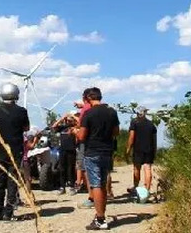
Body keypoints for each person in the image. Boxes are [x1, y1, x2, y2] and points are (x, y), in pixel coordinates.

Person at [78, 87, 120, 230]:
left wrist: (75, 132)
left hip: (93, 152)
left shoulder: (88, 114)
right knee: (102, 184)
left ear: (88, 98)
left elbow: (82, 137)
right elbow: (116, 132)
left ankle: (101, 219)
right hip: (107, 151)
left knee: (96, 185)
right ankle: (100, 215)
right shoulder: (112, 112)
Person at [0, 83, 30, 221]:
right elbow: (26, 128)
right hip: (16, 149)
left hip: (1, 149)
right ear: (16, 95)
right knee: (12, 180)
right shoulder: (22, 111)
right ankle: (9, 212)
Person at [126, 106, 157, 194]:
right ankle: (147, 190)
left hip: (138, 149)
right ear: (145, 113)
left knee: (137, 168)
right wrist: (154, 151)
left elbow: (131, 137)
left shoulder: (134, 122)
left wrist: (128, 149)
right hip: (149, 149)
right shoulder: (151, 124)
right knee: (147, 168)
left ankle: (135, 187)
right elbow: (154, 140)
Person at [51, 112, 78, 195]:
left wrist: (73, 116)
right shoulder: (62, 127)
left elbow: (79, 122)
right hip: (62, 149)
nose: (68, 121)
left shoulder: (75, 127)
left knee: (71, 168)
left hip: (71, 149)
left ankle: (72, 186)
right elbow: (54, 126)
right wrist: (62, 118)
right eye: (67, 120)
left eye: (70, 120)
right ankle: (62, 187)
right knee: (62, 168)